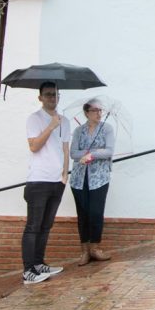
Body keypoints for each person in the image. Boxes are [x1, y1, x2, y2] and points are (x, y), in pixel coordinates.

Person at [22, 82, 70, 284]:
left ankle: (39, 263)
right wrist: (50, 126)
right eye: (49, 94)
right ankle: (28, 271)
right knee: (33, 226)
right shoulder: (34, 119)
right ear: (40, 97)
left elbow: (65, 148)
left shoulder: (65, 120)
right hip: (38, 180)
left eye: (56, 94)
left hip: (56, 181)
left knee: (46, 226)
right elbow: (34, 146)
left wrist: (64, 175)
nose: (53, 98)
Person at [70, 100, 115, 265]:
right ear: (86, 112)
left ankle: (95, 248)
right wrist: (86, 154)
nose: (98, 113)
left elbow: (109, 151)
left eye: (100, 110)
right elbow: (73, 153)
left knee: (96, 212)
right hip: (79, 178)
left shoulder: (107, 129)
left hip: (99, 178)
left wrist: (91, 155)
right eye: (95, 110)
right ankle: (84, 251)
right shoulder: (78, 131)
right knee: (83, 214)